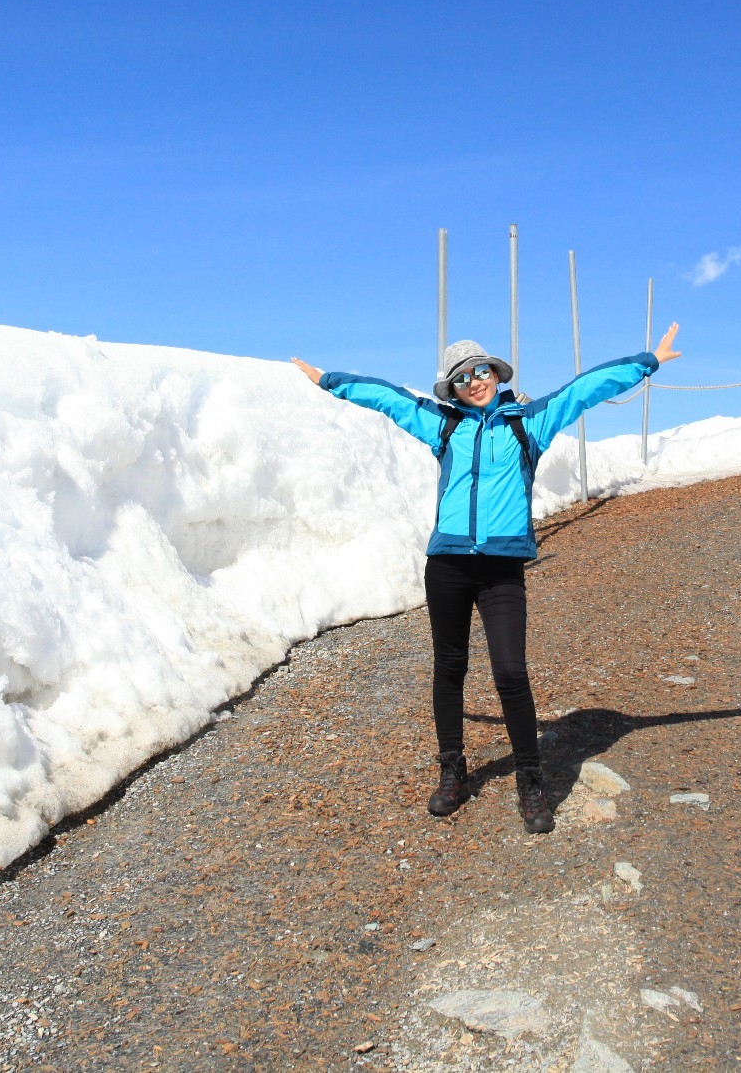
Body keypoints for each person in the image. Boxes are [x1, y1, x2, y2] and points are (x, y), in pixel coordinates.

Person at [291, 323, 681, 834]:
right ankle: (452, 770)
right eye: (463, 378)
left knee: (510, 673)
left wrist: (647, 360)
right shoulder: (443, 426)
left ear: (496, 374)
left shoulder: (528, 425)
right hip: (448, 565)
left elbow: (585, 388)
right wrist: (330, 380)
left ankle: (530, 780)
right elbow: (388, 398)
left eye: (482, 371)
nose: (475, 381)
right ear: (451, 389)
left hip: (502, 568)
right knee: (449, 667)